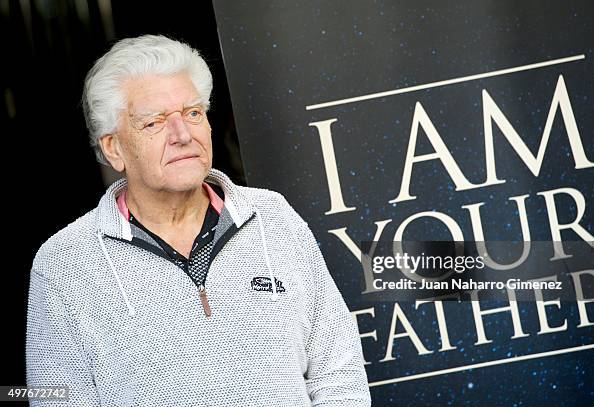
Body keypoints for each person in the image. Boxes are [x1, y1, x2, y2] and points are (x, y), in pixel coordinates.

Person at [25, 35, 371, 406]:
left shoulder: (274, 217)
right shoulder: (63, 264)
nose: (182, 135)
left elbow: (339, 373)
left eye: (192, 113)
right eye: (154, 122)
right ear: (114, 148)